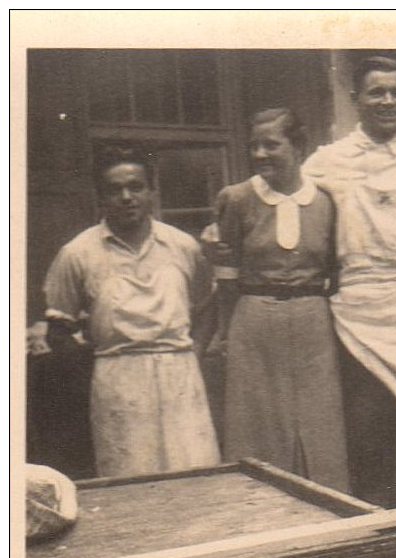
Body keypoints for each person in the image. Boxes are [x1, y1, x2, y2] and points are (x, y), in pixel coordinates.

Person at [43, 146, 221, 478]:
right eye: (114, 189)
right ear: (100, 197)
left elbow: (207, 305)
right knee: (130, 477)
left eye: (136, 186)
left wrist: (193, 353)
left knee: (196, 474)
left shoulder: (183, 246)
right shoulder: (78, 253)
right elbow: (59, 329)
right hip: (118, 378)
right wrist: (97, 373)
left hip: (180, 373)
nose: (127, 197)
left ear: (151, 191)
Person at [212, 108, 349, 493]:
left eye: (271, 144)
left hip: (312, 321)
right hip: (254, 322)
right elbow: (226, 278)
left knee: (319, 423)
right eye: (253, 146)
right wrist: (225, 336)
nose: (259, 154)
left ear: (299, 146)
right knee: (257, 424)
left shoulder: (325, 201)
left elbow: (335, 269)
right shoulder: (236, 199)